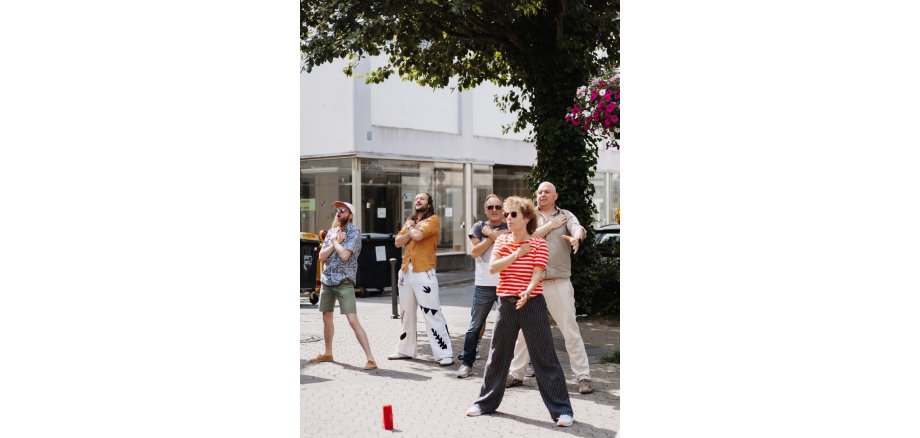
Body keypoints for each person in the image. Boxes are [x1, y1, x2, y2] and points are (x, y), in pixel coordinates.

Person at [465, 196, 574, 427]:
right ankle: (484, 403)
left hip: (532, 303)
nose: (508, 218)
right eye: (506, 214)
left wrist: (528, 291)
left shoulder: (538, 244)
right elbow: (494, 267)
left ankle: (562, 410)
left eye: (513, 214)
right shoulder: (502, 241)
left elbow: (538, 272)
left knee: (545, 356)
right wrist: (516, 254)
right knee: (498, 355)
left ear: (526, 218)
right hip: (506, 303)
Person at [506, 181, 595, 394]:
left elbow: (578, 228)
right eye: (539, 192)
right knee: (523, 332)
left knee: (570, 330)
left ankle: (583, 376)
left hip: (559, 282)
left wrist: (576, 237)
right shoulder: (528, 216)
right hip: (531, 283)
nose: (542, 195)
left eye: (547, 192)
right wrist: (550, 226)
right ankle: (516, 374)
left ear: (556, 195)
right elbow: (521, 238)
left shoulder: (566, 215)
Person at [309, 201, 377, 370]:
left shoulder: (355, 233)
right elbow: (321, 257)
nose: (339, 213)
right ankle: (328, 353)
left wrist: (336, 243)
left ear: (350, 215)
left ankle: (370, 359)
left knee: (353, 320)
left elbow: (345, 255)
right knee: (326, 318)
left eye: (343, 210)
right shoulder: (332, 232)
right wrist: (334, 240)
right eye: (337, 210)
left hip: (344, 282)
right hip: (327, 281)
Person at [388, 192, 454, 366]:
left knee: (432, 313)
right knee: (406, 314)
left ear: (429, 204)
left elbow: (416, 236)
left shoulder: (432, 220)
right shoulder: (412, 222)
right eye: (416, 198)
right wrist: (411, 229)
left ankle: (444, 353)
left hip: (424, 272)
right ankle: (405, 349)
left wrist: (410, 229)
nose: (418, 200)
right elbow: (397, 241)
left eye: (422, 198)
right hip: (406, 271)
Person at [457, 194, 509, 378]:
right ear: (485, 210)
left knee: (511, 326)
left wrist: (491, 235)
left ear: (503, 209)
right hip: (484, 284)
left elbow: (515, 245)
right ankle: (467, 362)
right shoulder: (479, 227)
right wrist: (492, 238)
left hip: (507, 282)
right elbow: (475, 252)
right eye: (490, 207)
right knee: (475, 325)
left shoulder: (511, 225)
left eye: (497, 207)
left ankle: (518, 365)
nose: (494, 210)